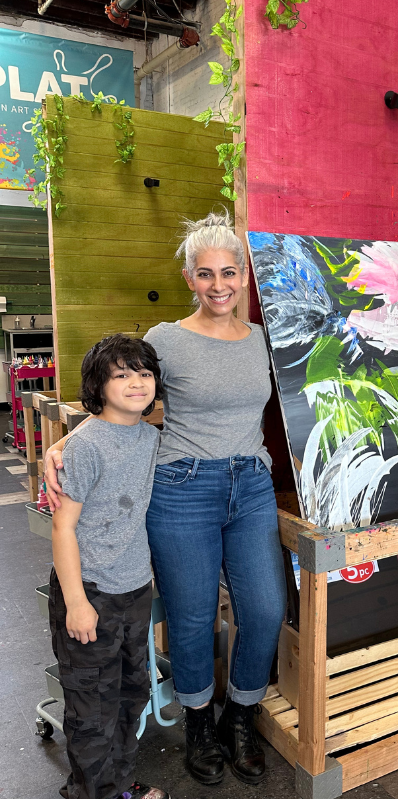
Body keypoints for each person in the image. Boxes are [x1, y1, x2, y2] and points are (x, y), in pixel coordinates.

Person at [47, 210, 286, 787]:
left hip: (251, 485)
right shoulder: (165, 340)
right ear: (189, 279)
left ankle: (242, 715)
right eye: (206, 274)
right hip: (182, 487)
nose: (219, 285)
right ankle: (201, 721)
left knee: (265, 609)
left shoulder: (263, 342)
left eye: (229, 272)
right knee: (192, 615)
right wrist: (66, 447)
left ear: (244, 275)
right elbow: (119, 395)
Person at [49, 334, 168, 799]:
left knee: (131, 695)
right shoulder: (85, 445)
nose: (136, 383)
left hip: (134, 589)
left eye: (144, 373)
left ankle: (116, 784)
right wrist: (76, 603)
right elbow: (63, 529)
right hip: (91, 592)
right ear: (98, 385)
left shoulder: (150, 437)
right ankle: (94, 791)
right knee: (92, 709)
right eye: (121, 374)